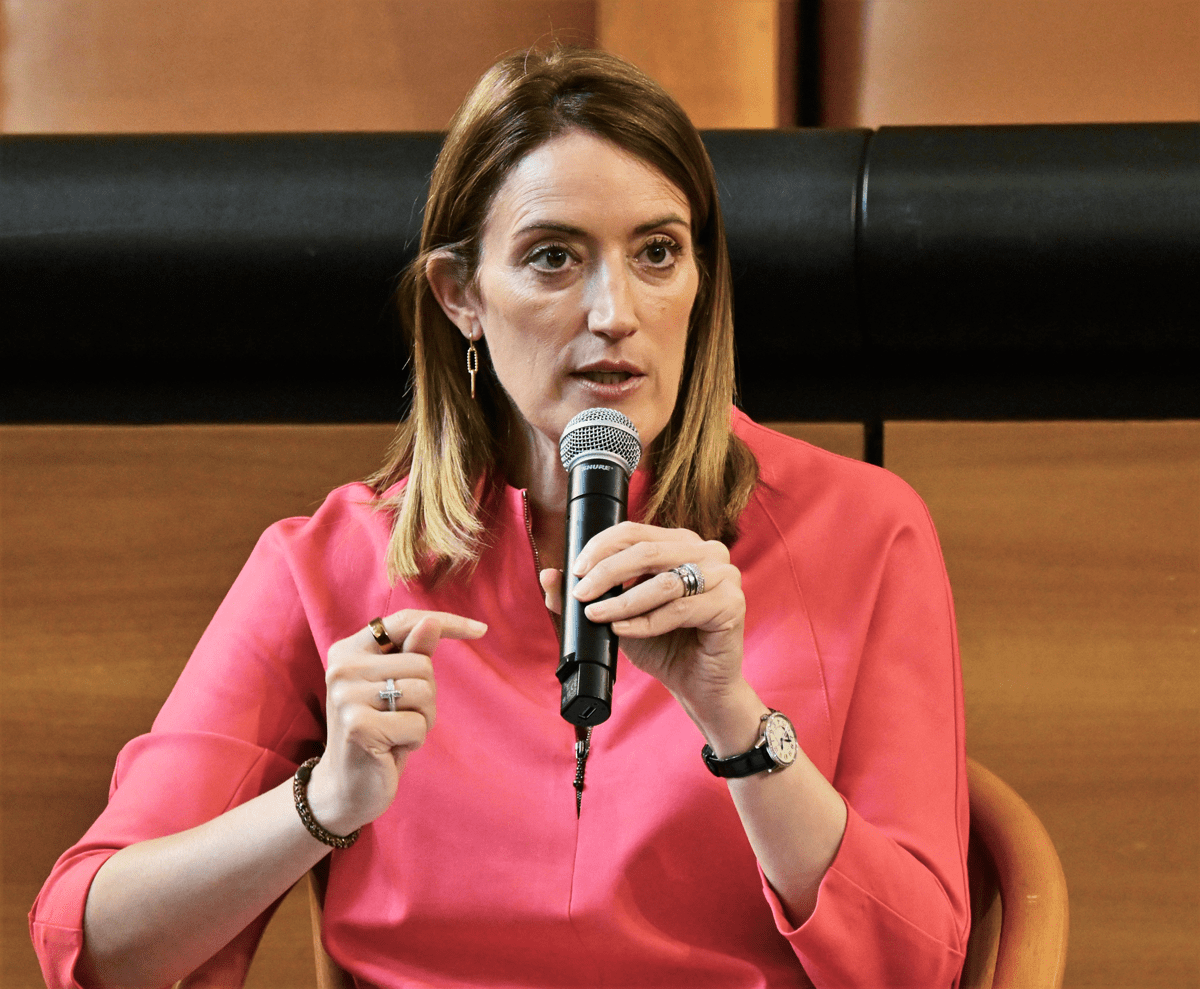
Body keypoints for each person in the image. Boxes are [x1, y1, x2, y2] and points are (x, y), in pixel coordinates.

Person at [31, 46, 970, 989]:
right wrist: (322, 803)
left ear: (700, 278)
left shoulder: (864, 531)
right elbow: (90, 947)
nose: (615, 311)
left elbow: (919, 965)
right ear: (462, 295)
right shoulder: (330, 564)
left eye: (657, 252)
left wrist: (735, 720)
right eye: (554, 256)